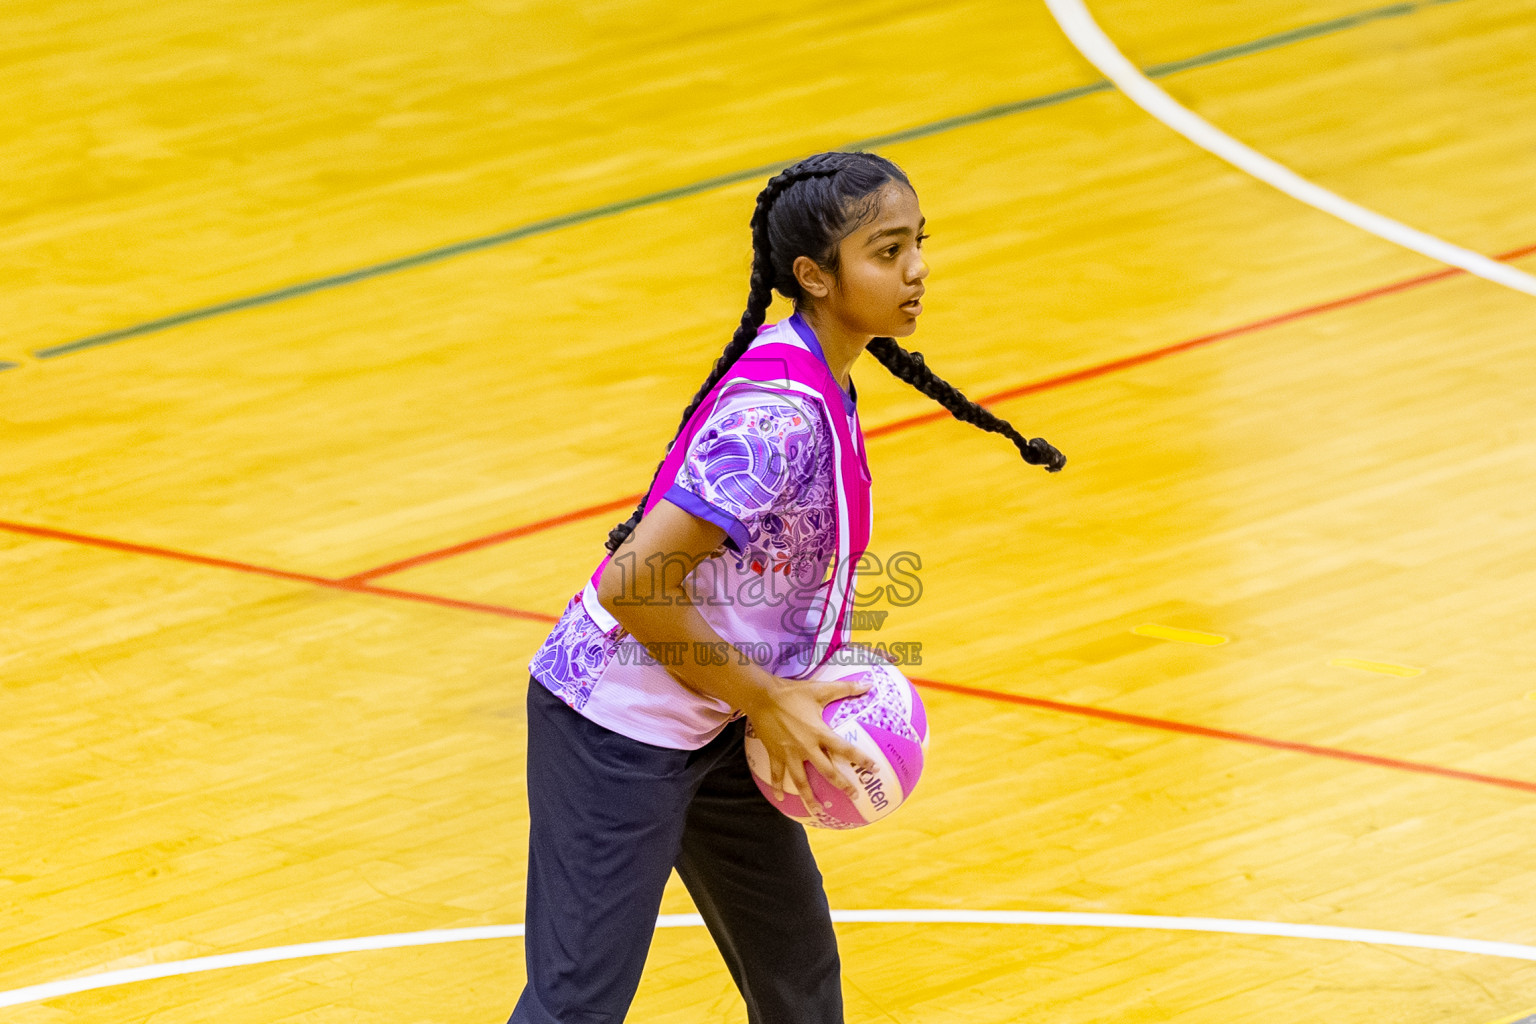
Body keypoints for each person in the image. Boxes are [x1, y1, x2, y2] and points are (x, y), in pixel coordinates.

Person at [510, 150, 1064, 1024]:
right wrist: (767, 698)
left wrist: (774, 692)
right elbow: (632, 586)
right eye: (887, 252)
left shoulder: (828, 378)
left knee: (798, 982)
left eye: (919, 243)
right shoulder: (775, 416)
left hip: (722, 712)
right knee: (577, 1004)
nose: (917, 268)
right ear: (814, 274)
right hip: (616, 723)